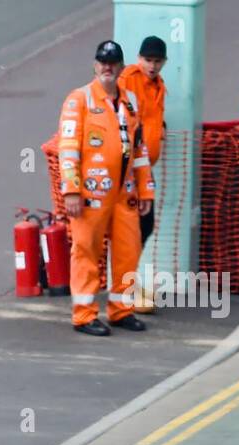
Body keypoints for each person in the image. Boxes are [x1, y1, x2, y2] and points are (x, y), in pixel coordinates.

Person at [56, 40, 155, 336]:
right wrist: (71, 190)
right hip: (90, 194)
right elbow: (68, 147)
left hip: (124, 194)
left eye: (113, 63)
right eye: (103, 62)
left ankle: (121, 309)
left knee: (129, 250)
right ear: (95, 65)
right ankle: (84, 314)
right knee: (86, 251)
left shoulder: (130, 102)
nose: (107, 67)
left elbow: (139, 151)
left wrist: (146, 190)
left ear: (121, 68)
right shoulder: (79, 99)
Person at [120, 36, 168, 252]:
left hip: (145, 165)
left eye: (157, 61)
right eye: (148, 60)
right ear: (139, 58)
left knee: (145, 224)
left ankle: (128, 274)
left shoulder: (159, 86)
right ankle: (125, 276)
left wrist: (161, 127)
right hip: (129, 165)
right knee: (136, 223)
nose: (152, 66)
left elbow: (151, 115)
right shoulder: (129, 79)